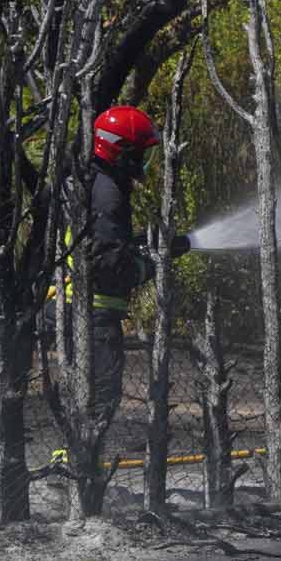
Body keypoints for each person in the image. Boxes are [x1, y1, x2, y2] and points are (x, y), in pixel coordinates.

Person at [62, 105, 192, 423]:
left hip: (79, 307)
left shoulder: (92, 180)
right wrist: (152, 264)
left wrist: (142, 243)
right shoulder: (109, 195)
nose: (146, 162)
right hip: (96, 312)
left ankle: (75, 461)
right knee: (100, 399)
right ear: (122, 152)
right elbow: (109, 268)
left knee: (87, 397)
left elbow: (102, 242)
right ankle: (77, 464)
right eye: (141, 153)